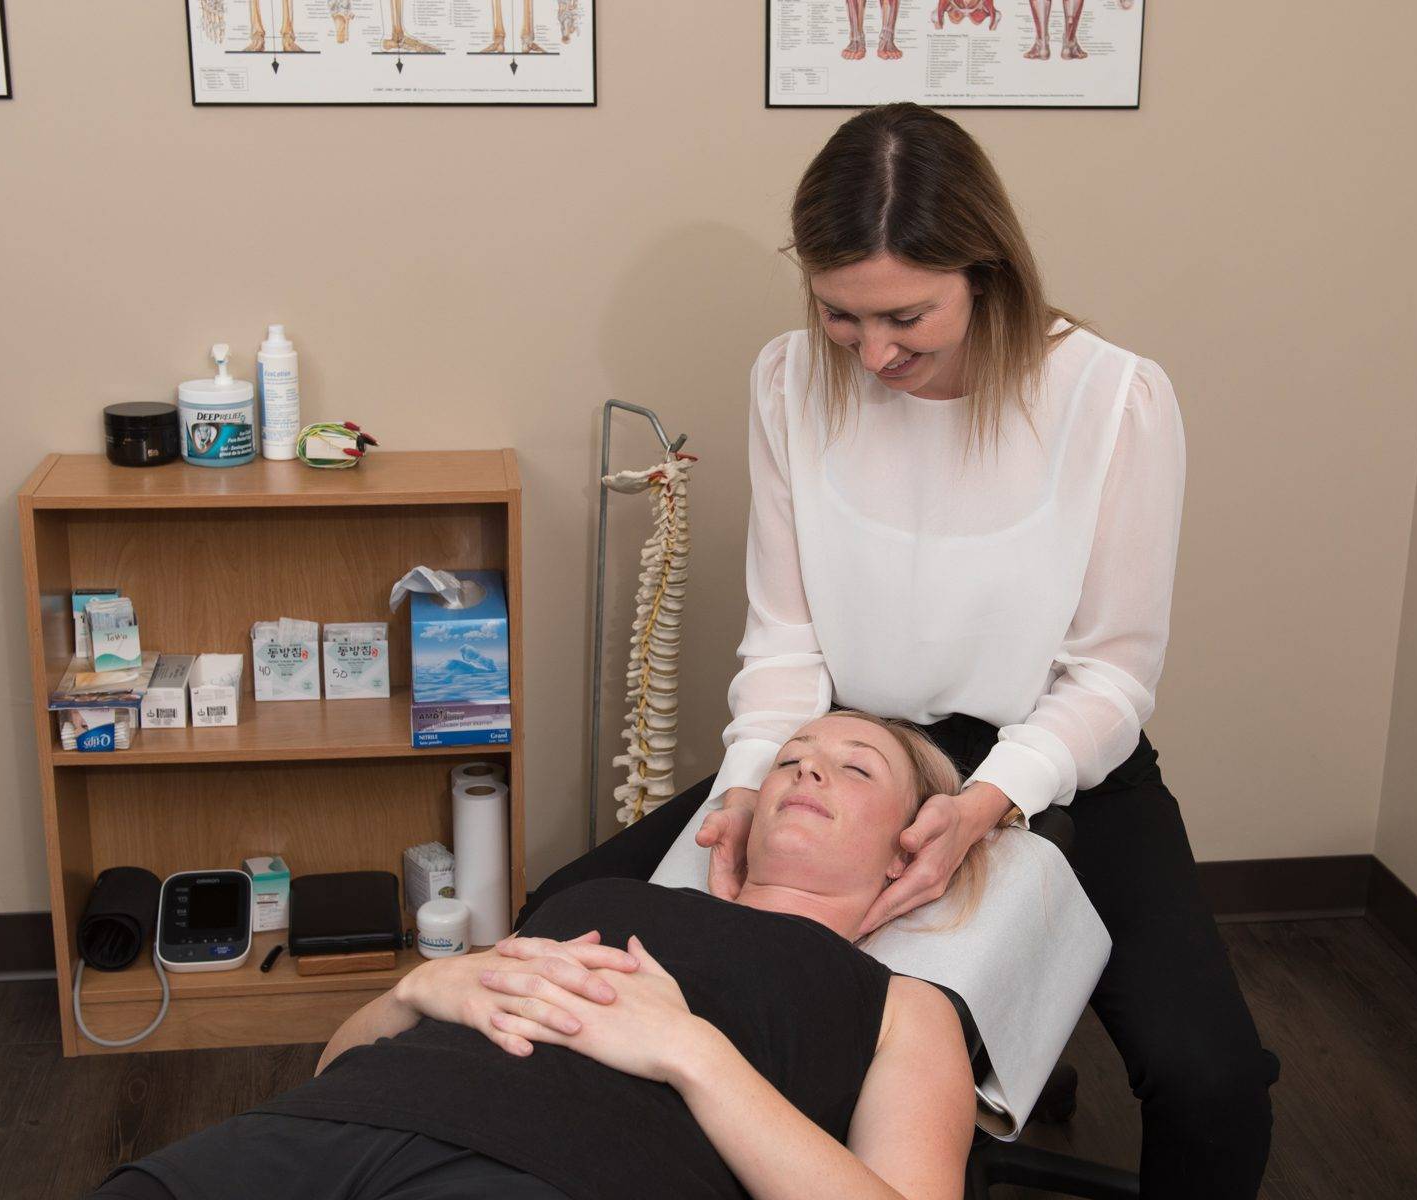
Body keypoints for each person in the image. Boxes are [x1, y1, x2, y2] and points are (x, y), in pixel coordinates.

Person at [520, 103, 1279, 1199]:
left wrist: (985, 803)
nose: (873, 355)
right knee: (564, 911)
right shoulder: (787, 379)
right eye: (841, 316)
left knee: (1208, 1084)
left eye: (907, 319)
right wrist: (742, 789)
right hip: (850, 747)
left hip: (1051, 765)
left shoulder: (1111, 400)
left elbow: (1109, 675)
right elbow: (786, 639)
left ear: (986, 271)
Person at [90, 712, 980, 1200]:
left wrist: (692, 1054)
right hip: (329, 1126)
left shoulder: (901, 1003)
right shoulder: (603, 898)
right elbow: (334, 1063)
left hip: (558, 1172)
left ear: (912, 850)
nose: (806, 773)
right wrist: (420, 987)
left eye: (855, 769)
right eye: (790, 759)